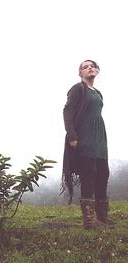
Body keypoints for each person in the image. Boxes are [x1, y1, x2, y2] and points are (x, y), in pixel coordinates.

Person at [62, 59, 113, 229]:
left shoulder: (98, 93)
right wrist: (72, 136)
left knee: (103, 174)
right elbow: (67, 111)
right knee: (88, 175)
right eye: (85, 67)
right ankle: (89, 221)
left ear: (97, 70)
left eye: (92, 66)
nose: (90, 68)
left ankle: (102, 217)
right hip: (84, 138)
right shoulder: (78, 89)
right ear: (80, 73)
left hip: (100, 139)